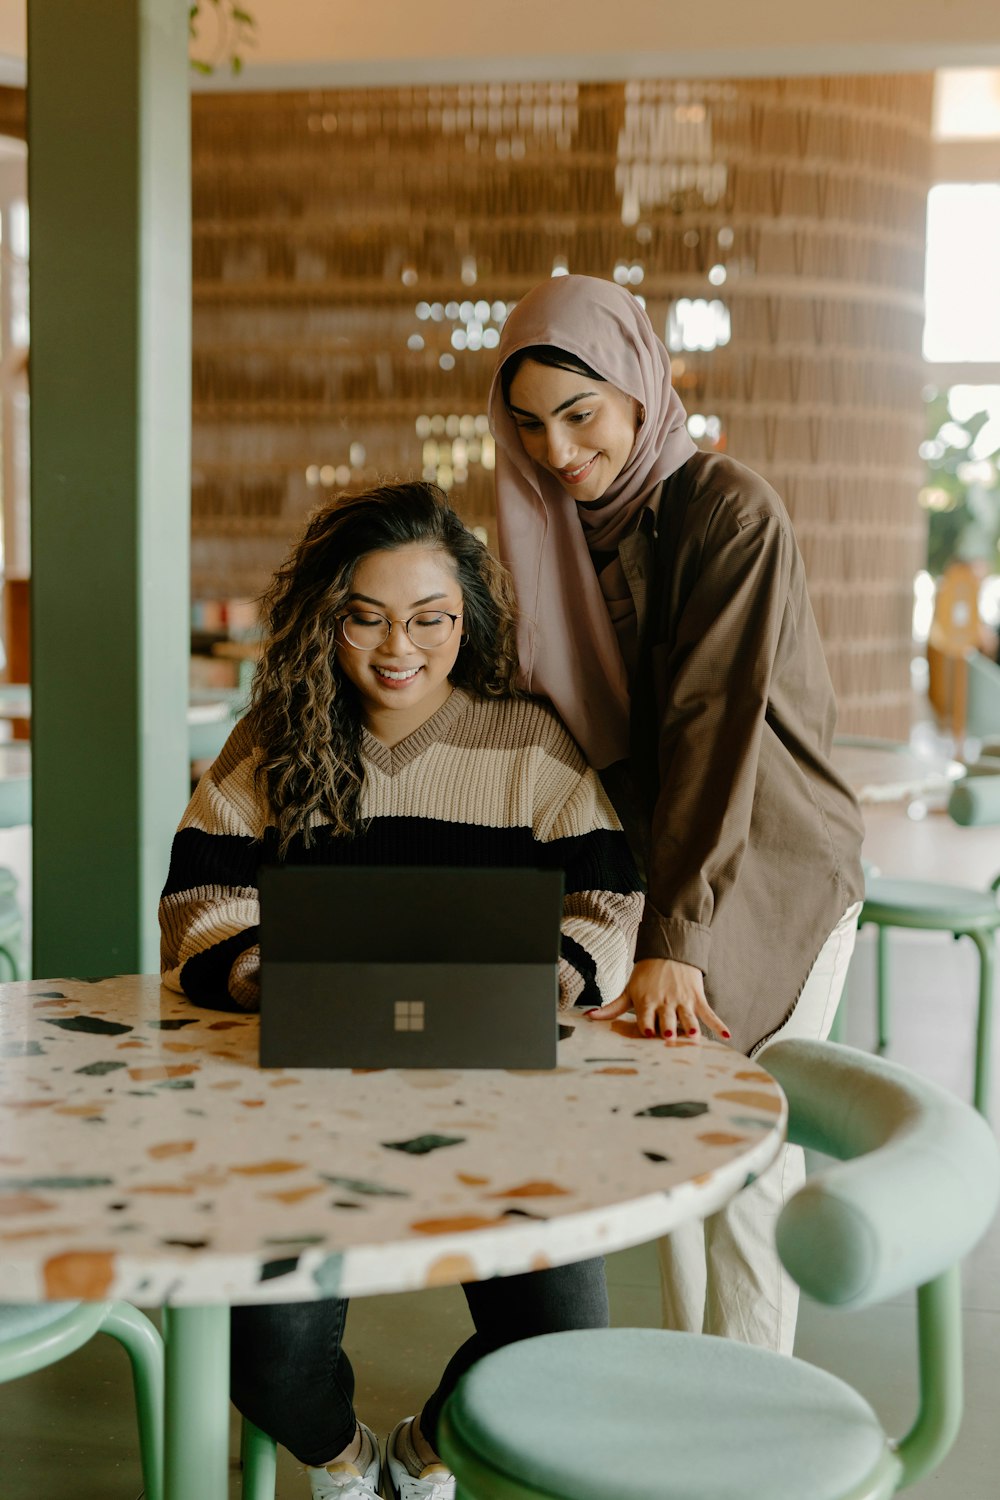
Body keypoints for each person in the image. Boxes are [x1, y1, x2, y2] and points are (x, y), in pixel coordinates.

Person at [159, 480, 642, 1500]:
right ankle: (345, 1465)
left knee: (561, 1344)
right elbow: (200, 893)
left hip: (497, 1098)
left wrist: (553, 972)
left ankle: (424, 1455)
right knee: (262, 1359)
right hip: (290, 1103)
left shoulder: (528, 742)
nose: (397, 649)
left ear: (469, 618)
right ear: (322, 618)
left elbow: (606, 899)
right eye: (364, 617)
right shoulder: (275, 738)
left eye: (431, 619)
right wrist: (255, 969)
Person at [489, 273, 865, 1356]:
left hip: (774, 862)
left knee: (742, 1141)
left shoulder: (727, 509)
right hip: (666, 861)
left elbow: (709, 726)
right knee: (672, 1139)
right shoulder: (559, 532)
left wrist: (676, 940)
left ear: (641, 390)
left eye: (579, 414)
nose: (556, 451)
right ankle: (684, 1388)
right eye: (527, 425)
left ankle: (747, 1416)